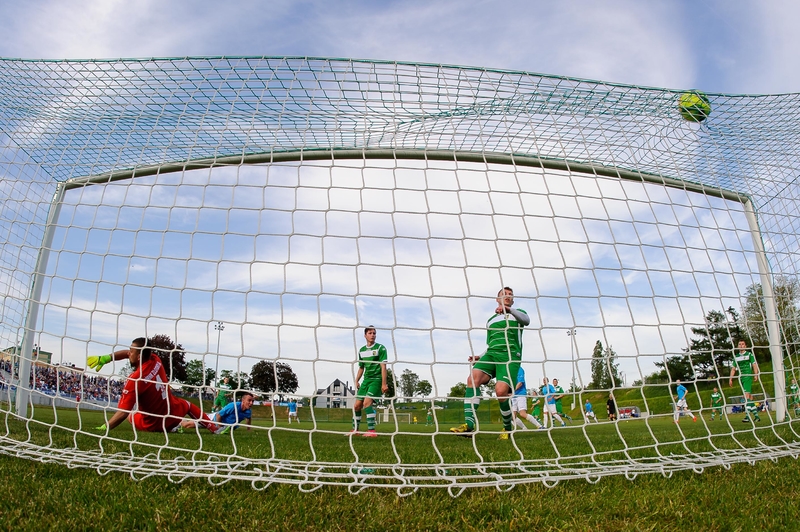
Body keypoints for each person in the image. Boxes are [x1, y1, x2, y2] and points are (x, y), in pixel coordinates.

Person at [87, 337, 218, 434]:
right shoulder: (156, 359)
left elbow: (123, 413)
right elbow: (129, 353)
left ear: (138, 357)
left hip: (151, 425)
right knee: (188, 405)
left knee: (132, 415)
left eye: (131, 352)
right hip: (172, 415)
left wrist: (106, 426)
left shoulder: (135, 379)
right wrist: (106, 358)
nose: (128, 353)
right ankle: (213, 428)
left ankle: (172, 427)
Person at [450, 287, 530, 440]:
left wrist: (509, 310)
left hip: (510, 357)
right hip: (491, 355)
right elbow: (490, 345)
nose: (507, 296)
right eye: (504, 294)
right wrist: (479, 356)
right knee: (472, 379)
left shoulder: (518, 313)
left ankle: (507, 428)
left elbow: (527, 320)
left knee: (500, 391)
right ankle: (469, 425)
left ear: (512, 300)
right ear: (497, 299)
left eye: (510, 295)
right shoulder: (491, 321)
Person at [351, 326, 389, 437]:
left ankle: (372, 431)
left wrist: (383, 383)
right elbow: (361, 367)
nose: (372, 335)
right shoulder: (362, 351)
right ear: (365, 335)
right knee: (357, 406)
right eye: (370, 333)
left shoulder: (380, 348)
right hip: (366, 381)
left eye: (374, 333)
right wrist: (357, 380)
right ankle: (355, 430)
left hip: (376, 380)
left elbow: (383, 366)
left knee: (367, 403)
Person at [182, 391, 254, 434]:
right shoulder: (233, 406)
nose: (251, 403)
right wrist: (218, 428)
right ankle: (180, 421)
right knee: (187, 426)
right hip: (212, 419)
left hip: (224, 426)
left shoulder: (248, 411)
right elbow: (218, 415)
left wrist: (248, 429)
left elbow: (248, 418)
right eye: (249, 400)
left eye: (252, 401)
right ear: (243, 400)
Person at [729, 339, 760, 423]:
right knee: (749, 397)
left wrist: (755, 374)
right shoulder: (736, 357)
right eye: (739, 344)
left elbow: (754, 364)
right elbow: (733, 369)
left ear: (745, 346)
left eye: (743, 344)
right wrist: (730, 379)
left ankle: (747, 416)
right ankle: (756, 416)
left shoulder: (749, 354)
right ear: (738, 346)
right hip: (741, 378)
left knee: (746, 397)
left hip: (748, 377)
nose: (741, 345)